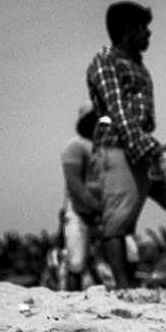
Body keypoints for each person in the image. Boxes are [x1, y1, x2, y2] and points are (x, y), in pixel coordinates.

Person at [85, 2, 166, 289]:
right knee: (118, 221)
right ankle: (123, 289)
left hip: (142, 145)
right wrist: (142, 145)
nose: (148, 34)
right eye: (144, 28)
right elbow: (117, 110)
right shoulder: (105, 62)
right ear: (129, 30)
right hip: (116, 146)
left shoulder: (138, 65)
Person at [58, 105, 102, 290]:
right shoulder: (76, 146)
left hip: (103, 211)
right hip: (80, 212)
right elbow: (74, 185)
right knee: (76, 262)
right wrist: (96, 208)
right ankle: (71, 298)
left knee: (130, 252)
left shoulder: (105, 147)